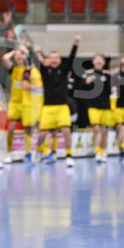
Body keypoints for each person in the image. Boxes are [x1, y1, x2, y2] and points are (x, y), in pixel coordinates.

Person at [38, 36, 80, 166]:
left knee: (66, 131)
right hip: (48, 107)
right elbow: (35, 60)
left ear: (60, 60)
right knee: (43, 133)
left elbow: (71, 59)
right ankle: (40, 153)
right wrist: (27, 48)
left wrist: (75, 44)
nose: (54, 60)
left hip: (62, 107)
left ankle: (69, 156)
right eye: (52, 58)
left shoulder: (63, 70)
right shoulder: (44, 71)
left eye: (57, 58)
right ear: (48, 60)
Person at [82, 54, 114, 163]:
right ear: (93, 61)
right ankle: (98, 151)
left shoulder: (107, 74)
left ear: (104, 62)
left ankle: (103, 150)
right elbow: (81, 87)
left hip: (105, 105)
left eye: (101, 59)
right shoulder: (88, 73)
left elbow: (110, 90)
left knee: (105, 130)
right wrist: (86, 83)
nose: (99, 61)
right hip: (92, 105)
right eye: (97, 59)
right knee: (96, 128)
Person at [1, 47, 28, 162]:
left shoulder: (28, 70)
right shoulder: (13, 69)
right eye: (16, 55)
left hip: (26, 102)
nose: (18, 56)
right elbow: (5, 58)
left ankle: (28, 153)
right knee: (11, 129)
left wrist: (25, 51)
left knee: (28, 129)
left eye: (20, 55)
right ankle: (8, 152)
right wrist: (14, 51)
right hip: (14, 103)